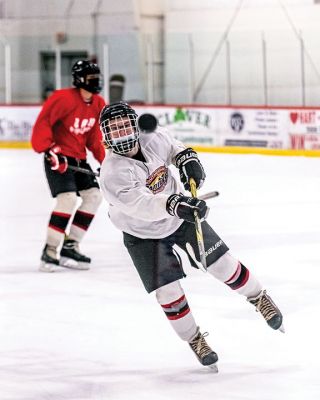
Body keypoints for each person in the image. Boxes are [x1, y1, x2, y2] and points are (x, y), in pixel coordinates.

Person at [98, 101, 284, 370]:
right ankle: (194, 338)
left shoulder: (153, 137)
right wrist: (174, 203)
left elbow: (175, 147)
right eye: (114, 129)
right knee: (167, 292)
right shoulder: (112, 173)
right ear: (106, 135)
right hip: (141, 233)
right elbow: (143, 206)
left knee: (222, 263)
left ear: (135, 126)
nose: (122, 133)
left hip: (179, 216)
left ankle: (258, 297)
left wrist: (188, 160)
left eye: (125, 125)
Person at [31, 59, 106, 272]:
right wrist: (49, 149)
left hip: (78, 159)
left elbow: (94, 137)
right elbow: (43, 123)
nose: (96, 82)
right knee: (68, 199)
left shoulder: (99, 103)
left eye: (97, 78)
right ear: (80, 79)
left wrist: (106, 161)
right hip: (58, 157)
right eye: (91, 78)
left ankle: (71, 245)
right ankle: (50, 250)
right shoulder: (62, 98)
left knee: (94, 196)